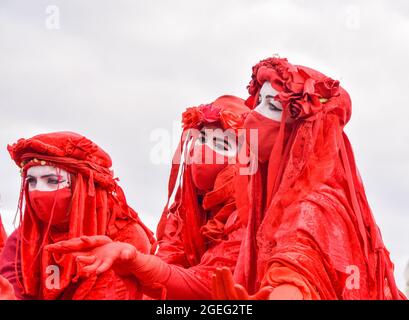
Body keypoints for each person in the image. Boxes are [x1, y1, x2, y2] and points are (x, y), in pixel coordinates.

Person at [212, 56, 406, 300]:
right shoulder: (271, 197)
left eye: (272, 106)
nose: (252, 115)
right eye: (258, 101)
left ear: (303, 128)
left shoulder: (315, 203)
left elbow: (298, 263)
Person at [46, 96, 251, 299]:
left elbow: (213, 285)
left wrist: (138, 263)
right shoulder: (184, 213)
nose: (203, 151)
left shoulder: (250, 214)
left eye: (223, 146)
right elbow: (165, 277)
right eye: (201, 140)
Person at [0, 132, 154, 300]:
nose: (37, 192)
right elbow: (12, 285)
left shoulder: (124, 236)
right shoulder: (25, 236)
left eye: (52, 181)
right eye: (31, 181)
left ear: (85, 186)